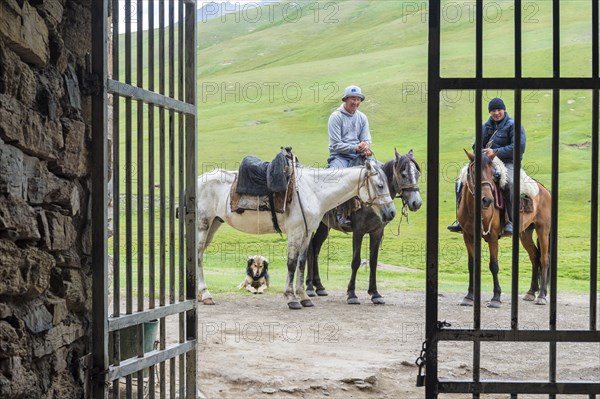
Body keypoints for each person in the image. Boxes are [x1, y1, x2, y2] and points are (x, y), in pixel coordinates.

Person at [448, 97, 526, 235]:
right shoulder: (485, 127)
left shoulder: (514, 125)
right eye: (493, 110)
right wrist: (480, 154)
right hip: (485, 162)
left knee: (510, 182)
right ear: (490, 112)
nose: (496, 113)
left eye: (499, 110)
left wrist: (495, 152)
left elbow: (518, 147)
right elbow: (475, 146)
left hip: (507, 162)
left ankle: (511, 221)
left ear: (504, 110)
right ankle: (460, 219)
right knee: (461, 178)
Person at [327, 85, 373, 227]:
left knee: (378, 172)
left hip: (358, 155)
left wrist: (365, 145)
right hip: (340, 157)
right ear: (346, 99)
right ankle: (339, 212)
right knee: (337, 178)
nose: (356, 102)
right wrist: (355, 148)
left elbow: (367, 139)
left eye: (358, 99)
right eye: (353, 99)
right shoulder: (336, 117)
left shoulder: (362, 117)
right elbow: (336, 145)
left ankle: (379, 208)